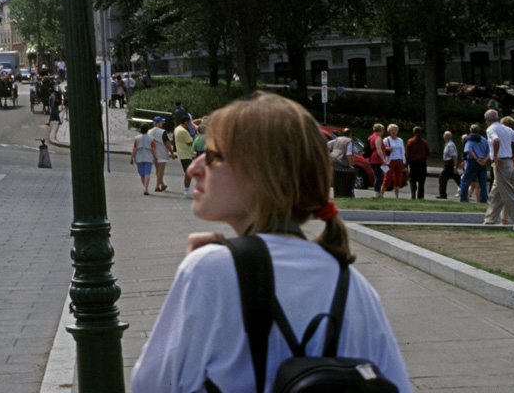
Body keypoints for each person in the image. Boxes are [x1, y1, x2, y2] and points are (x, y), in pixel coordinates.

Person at [129, 93, 411, 393]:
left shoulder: (211, 270)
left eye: (214, 157)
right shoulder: (354, 285)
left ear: (262, 173)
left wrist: (199, 272)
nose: (193, 169)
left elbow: (151, 385)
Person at [483, 109, 514, 230]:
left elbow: (496, 140)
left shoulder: (491, 129)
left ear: (486, 120)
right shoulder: (506, 128)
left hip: (501, 163)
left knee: (508, 195)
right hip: (509, 162)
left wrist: (496, 156)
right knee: (495, 194)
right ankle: (489, 220)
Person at [458, 124, 490, 203]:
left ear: (470, 130)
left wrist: (476, 158)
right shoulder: (483, 139)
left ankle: (464, 199)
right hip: (483, 162)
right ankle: (483, 200)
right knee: (483, 183)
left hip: (473, 162)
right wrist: (484, 160)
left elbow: (468, 150)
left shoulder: (470, 139)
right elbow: (489, 152)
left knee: (466, 181)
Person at [130, 122, 161, 196]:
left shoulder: (137, 138)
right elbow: (154, 149)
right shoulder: (151, 139)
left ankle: (145, 188)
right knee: (147, 173)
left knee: (142, 174)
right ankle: (146, 188)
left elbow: (134, 149)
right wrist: (156, 158)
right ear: (147, 130)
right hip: (148, 158)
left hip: (139, 157)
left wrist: (132, 157)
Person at [378, 124, 405, 199]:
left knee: (398, 178)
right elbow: (380, 149)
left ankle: (396, 196)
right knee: (387, 178)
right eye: (392, 130)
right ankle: (381, 194)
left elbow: (402, 151)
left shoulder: (400, 140)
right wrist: (387, 148)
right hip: (389, 161)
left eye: (395, 130)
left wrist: (404, 162)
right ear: (389, 131)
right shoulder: (386, 140)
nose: (394, 132)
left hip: (399, 160)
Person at [405, 126, 430, 200]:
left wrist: (406, 165)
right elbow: (428, 153)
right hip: (422, 163)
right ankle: (420, 196)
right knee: (421, 181)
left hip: (413, 163)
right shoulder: (424, 142)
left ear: (413, 132)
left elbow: (407, 154)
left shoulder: (410, 141)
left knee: (413, 180)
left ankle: (413, 194)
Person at [436, 130, 460, 199]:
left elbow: (454, 156)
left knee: (442, 178)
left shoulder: (450, 145)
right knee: (457, 179)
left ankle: (443, 194)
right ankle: (465, 191)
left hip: (450, 164)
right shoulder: (448, 144)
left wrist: (455, 167)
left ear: (445, 137)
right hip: (448, 163)